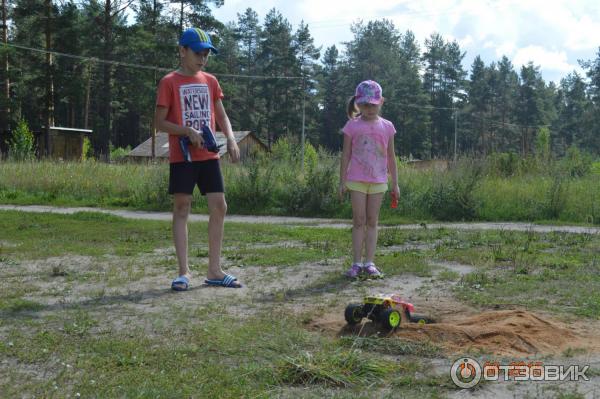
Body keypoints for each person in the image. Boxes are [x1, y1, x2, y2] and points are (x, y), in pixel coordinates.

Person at [154, 27, 242, 290]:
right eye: (197, 53)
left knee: (219, 206)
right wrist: (186, 131)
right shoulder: (169, 82)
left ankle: (214, 270)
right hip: (183, 157)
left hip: (209, 154)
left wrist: (232, 138)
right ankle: (183, 272)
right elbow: (159, 122)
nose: (202, 59)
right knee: (182, 207)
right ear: (182, 51)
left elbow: (221, 115)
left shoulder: (211, 81)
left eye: (206, 54)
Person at [339, 80, 400, 278]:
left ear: (381, 102)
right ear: (358, 103)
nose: (369, 108)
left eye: (373, 104)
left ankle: (369, 263)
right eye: (365, 105)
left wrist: (395, 184)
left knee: (372, 221)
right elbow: (345, 155)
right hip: (356, 179)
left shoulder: (388, 126)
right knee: (359, 220)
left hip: (379, 181)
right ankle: (356, 263)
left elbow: (391, 156)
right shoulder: (352, 126)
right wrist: (342, 182)